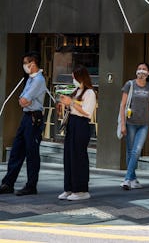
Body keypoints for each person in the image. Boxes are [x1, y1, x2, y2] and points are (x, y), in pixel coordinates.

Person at [0, 52, 47, 196]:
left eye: (26, 63)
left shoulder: (39, 79)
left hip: (34, 118)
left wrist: (27, 101)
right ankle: (8, 183)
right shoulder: (30, 79)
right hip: (26, 116)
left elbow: (25, 99)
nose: (24, 66)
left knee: (32, 153)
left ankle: (31, 185)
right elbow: (22, 99)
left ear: (32, 63)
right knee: (16, 150)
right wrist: (26, 101)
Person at [58, 65, 97, 201]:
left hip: (81, 125)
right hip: (72, 123)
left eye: (75, 77)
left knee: (78, 157)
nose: (73, 79)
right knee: (68, 156)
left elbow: (87, 112)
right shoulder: (76, 91)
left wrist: (72, 103)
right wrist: (66, 102)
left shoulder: (90, 93)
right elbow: (72, 107)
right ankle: (69, 188)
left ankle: (81, 189)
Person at [119, 62, 149, 190]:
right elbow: (122, 105)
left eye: (144, 69)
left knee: (136, 150)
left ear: (148, 73)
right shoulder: (129, 85)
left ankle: (127, 179)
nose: (141, 71)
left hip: (144, 124)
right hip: (130, 123)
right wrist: (123, 124)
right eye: (139, 68)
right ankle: (133, 179)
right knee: (131, 151)